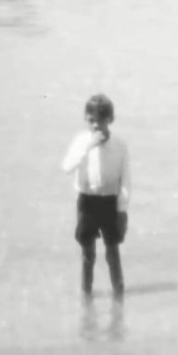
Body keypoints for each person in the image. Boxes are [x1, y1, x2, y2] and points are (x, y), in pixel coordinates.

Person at [61, 94, 131, 299]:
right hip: (87, 201)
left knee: (112, 252)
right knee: (88, 253)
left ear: (110, 120)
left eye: (102, 120)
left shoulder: (119, 145)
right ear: (86, 119)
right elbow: (67, 167)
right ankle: (86, 295)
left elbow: (125, 180)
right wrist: (88, 146)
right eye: (92, 121)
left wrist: (122, 209)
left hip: (110, 201)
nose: (97, 125)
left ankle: (119, 296)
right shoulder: (81, 142)